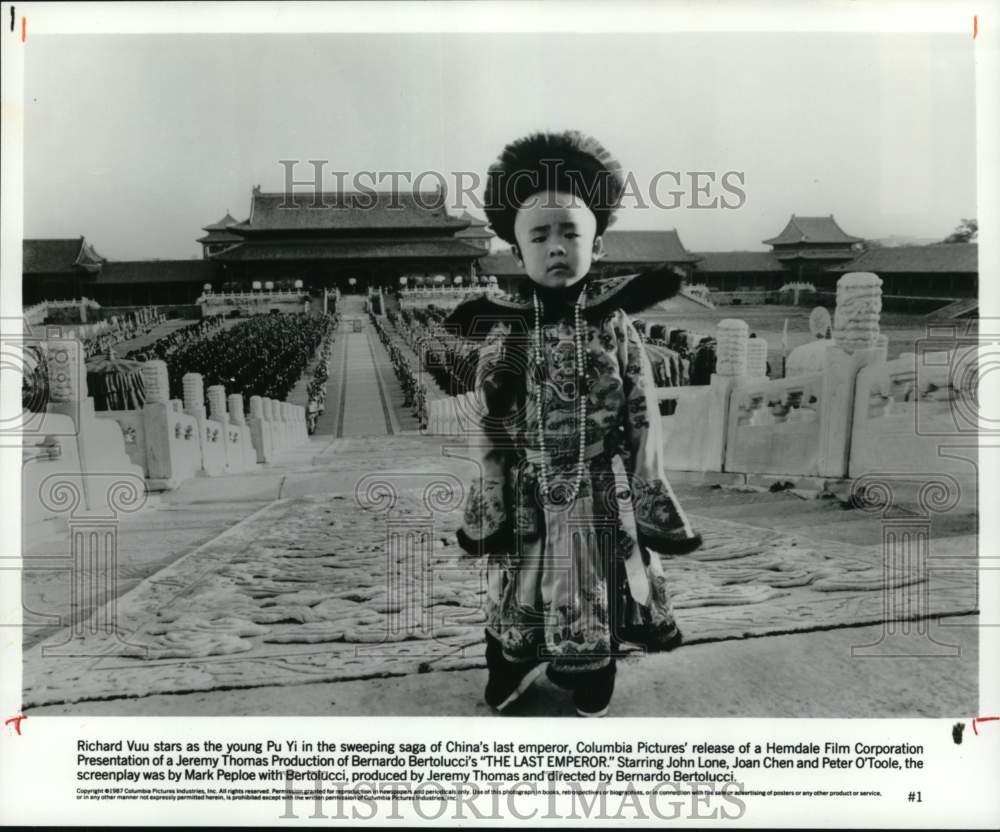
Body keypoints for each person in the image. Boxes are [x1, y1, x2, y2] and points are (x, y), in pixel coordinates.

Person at [446, 131, 702, 718]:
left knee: (594, 584)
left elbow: (641, 413)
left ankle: (593, 675)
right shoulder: (505, 330)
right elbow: (488, 425)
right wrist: (492, 491)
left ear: (598, 245)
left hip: (596, 488)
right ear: (516, 250)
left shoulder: (615, 326)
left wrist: (648, 486)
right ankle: (510, 664)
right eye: (540, 235)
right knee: (523, 583)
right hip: (529, 486)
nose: (557, 246)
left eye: (571, 233)